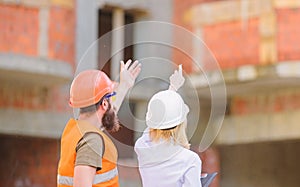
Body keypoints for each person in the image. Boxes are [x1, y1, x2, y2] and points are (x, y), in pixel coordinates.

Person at [57, 59, 141, 187]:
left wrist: (124, 85)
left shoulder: (78, 130)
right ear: (104, 104)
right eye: (110, 98)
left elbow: (107, 114)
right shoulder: (92, 141)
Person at [134, 65, 203, 187]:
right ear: (181, 124)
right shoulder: (190, 160)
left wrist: (172, 89)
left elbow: (156, 120)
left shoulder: (142, 147)